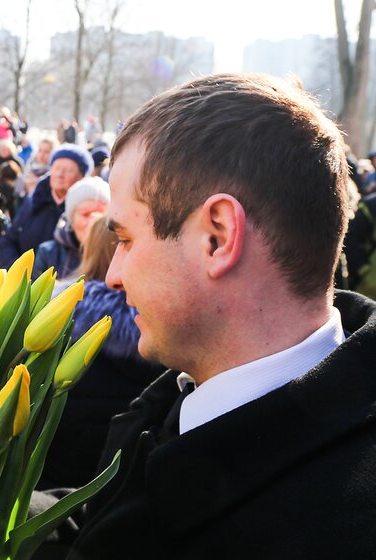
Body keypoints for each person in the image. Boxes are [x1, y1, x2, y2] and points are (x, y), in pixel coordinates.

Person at [37, 73, 376, 560]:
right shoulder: (193, 391)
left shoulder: (337, 527)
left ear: (217, 236)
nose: (112, 274)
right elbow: (109, 520)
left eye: (127, 240)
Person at [38, 216, 162, 490]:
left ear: (89, 249)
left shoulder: (59, 316)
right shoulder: (161, 329)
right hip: (126, 483)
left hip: (54, 476)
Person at [0, 144, 93, 268]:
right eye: (56, 168)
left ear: (81, 177)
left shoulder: (86, 210)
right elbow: (8, 239)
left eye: (68, 170)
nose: (59, 174)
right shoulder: (34, 201)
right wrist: (18, 272)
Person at [32, 176, 109, 280]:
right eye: (86, 214)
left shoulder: (115, 253)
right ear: (71, 219)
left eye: (100, 215)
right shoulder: (48, 253)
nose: (94, 221)